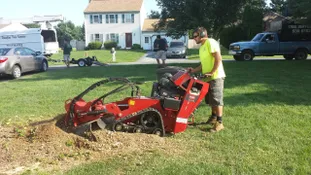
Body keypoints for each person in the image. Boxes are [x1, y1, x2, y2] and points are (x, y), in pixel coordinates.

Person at [188, 27, 226, 132]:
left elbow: (218, 58)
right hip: (207, 78)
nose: (194, 38)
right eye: (193, 36)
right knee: (210, 100)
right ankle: (213, 118)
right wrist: (193, 70)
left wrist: (213, 72)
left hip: (216, 76)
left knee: (217, 99)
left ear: (202, 34)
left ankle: (220, 122)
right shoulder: (201, 47)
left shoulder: (210, 42)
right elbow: (203, 64)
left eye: (195, 36)